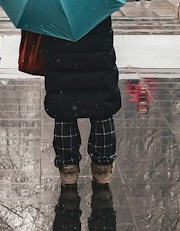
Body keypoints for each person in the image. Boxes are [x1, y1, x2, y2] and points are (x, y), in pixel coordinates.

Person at [43, 15, 121, 184]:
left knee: (64, 110)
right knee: (102, 109)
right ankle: (103, 165)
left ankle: (68, 166)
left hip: (61, 54)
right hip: (97, 55)